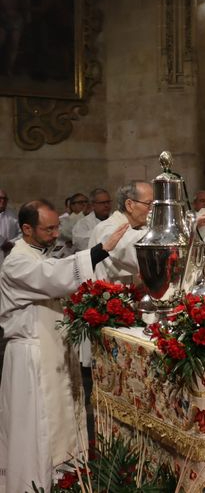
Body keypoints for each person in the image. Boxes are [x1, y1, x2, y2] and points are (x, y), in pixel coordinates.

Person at [0, 200, 128, 493]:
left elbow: (57, 273)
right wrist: (99, 251)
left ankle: (64, 482)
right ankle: (30, 485)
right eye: (49, 229)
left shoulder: (41, 253)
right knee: (35, 426)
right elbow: (50, 276)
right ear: (27, 229)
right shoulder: (16, 261)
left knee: (62, 419)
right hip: (31, 356)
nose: (57, 234)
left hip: (52, 348)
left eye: (57, 227)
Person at [0, 190, 20, 269]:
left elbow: (22, 234)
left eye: (5, 199)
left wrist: (11, 243)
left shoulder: (13, 216)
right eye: (0, 198)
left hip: (8, 256)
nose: (2, 201)